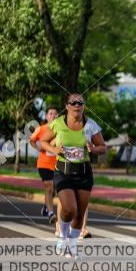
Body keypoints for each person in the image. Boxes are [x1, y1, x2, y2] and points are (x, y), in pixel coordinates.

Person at [38, 93, 105, 258]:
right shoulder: (58, 123)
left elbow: (102, 147)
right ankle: (62, 237)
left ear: (83, 106)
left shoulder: (90, 125)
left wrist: (93, 149)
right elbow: (43, 141)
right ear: (67, 106)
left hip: (83, 172)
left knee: (80, 212)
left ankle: (72, 247)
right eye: (73, 102)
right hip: (63, 172)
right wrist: (54, 150)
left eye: (80, 103)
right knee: (69, 208)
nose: (77, 105)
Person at [30, 106, 59, 223]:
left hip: (57, 163)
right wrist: (38, 148)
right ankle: (51, 213)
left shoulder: (60, 130)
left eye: (55, 114)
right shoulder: (41, 129)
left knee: (54, 189)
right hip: (44, 163)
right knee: (49, 186)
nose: (52, 115)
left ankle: (46, 207)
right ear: (47, 116)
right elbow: (31, 140)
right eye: (50, 113)